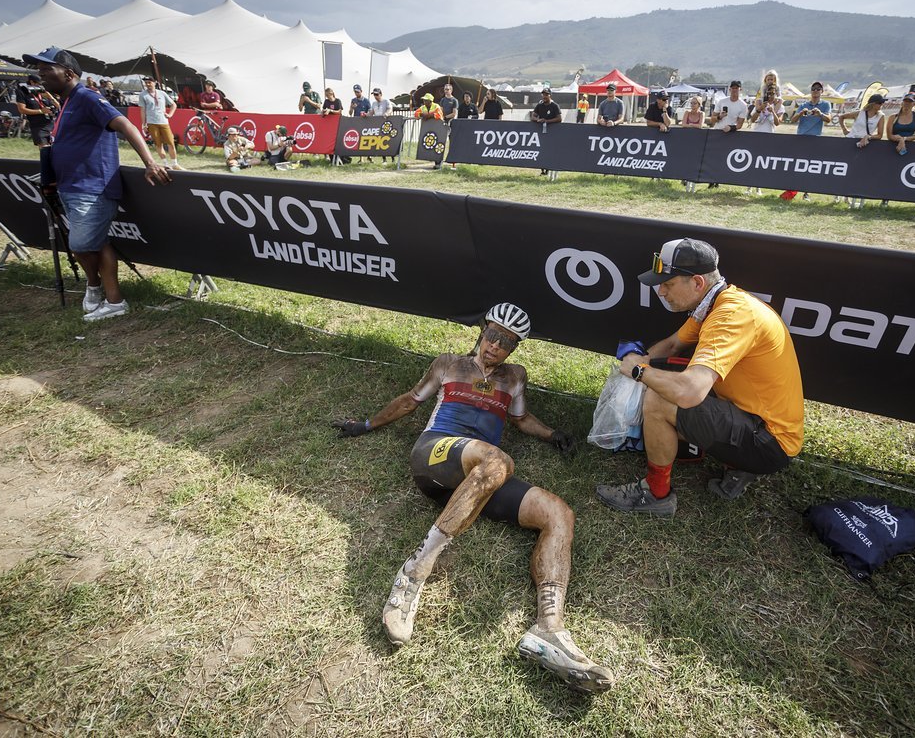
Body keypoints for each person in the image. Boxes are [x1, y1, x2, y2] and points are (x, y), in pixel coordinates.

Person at [333, 303, 613, 694]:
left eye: (508, 342)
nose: (496, 346)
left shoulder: (515, 377)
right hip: (435, 454)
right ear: (482, 331)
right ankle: (413, 573)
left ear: (515, 349)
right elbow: (410, 401)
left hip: (481, 477)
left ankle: (548, 630)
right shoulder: (449, 364)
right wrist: (365, 425)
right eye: (493, 335)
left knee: (559, 512)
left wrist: (551, 434)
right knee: (497, 460)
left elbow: (519, 419)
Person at [596, 238, 804, 514]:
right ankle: (736, 465)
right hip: (756, 421)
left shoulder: (730, 316)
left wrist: (638, 371)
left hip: (769, 442)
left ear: (696, 282)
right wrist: (643, 361)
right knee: (665, 375)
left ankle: (656, 495)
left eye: (668, 284)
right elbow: (671, 345)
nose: (661, 292)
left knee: (660, 398)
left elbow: (689, 392)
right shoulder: (715, 302)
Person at [23, 45, 171, 322]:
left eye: (46, 70)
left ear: (67, 73)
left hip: (93, 187)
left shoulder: (88, 97)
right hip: (71, 186)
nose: (41, 75)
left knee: (81, 245)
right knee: (96, 242)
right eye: (39, 70)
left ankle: (94, 286)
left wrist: (150, 162)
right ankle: (112, 300)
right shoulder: (67, 101)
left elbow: (125, 125)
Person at [839, 94, 886, 208]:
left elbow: (879, 135)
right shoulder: (859, 113)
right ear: (873, 103)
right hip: (851, 142)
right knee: (847, 169)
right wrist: (846, 131)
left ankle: (855, 196)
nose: (882, 105)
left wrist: (868, 137)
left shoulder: (881, 116)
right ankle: (843, 195)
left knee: (859, 171)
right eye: (880, 103)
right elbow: (841, 117)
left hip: (865, 144)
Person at [788, 81, 832, 200]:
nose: (816, 91)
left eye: (818, 89)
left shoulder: (826, 104)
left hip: (814, 139)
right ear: (811, 91)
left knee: (809, 167)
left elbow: (829, 119)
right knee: (797, 166)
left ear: (822, 91)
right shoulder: (804, 105)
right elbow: (792, 120)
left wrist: (820, 114)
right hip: (801, 138)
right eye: (813, 89)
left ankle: (806, 193)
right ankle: (791, 191)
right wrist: (801, 113)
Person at [705, 81, 747, 188]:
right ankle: (711, 181)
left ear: (740, 90)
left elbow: (740, 124)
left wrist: (731, 128)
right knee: (713, 157)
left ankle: (718, 180)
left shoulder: (743, 105)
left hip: (730, 134)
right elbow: (712, 119)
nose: (734, 90)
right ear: (729, 89)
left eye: (736, 88)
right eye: (732, 88)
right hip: (717, 131)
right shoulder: (721, 101)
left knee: (723, 158)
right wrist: (719, 117)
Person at [138, 77, 180, 169]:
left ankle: (175, 164)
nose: (148, 84)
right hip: (151, 123)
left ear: (155, 83)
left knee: (171, 142)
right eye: (146, 83)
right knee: (158, 144)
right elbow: (143, 110)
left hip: (164, 122)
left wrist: (170, 114)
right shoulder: (143, 95)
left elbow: (173, 104)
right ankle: (165, 164)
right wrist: (144, 124)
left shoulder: (162, 93)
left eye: (149, 82)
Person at [17, 74, 57, 148]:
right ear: (32, 82)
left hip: (51, 124)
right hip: (37, 125)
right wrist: (41, 111)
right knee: (45, 150)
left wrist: (50, 97)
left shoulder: (43, 91)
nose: (40, 85)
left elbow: (58, 106)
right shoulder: (22, 91)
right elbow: (22, 110)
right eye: (39, 83)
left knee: (55, 150)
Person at [530, 88, 562, 175]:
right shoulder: (539, 105)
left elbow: (559, 118)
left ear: (550, 95)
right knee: (541, 150)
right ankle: (543, 169)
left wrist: (547, 121)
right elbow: (532, 116)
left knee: (550, 150)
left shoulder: (555, 106)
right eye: (543, 94)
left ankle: (548, 168)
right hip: (541, 132)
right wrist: (538, 120)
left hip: (552, 132)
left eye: (546, 95)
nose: (544, 96)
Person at [415, 93, 444, 168]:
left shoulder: (436, 106)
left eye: (426, 100)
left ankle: (438, 163)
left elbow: (439, 115)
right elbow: (416, 114)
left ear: (430, 101)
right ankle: (433, 161)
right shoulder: (423, 107)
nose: (424, 102)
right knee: (430, 144)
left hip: (437, 128)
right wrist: (422, 115)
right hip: (428, 129)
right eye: (424, 100)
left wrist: (428, 115)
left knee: (437, 144)